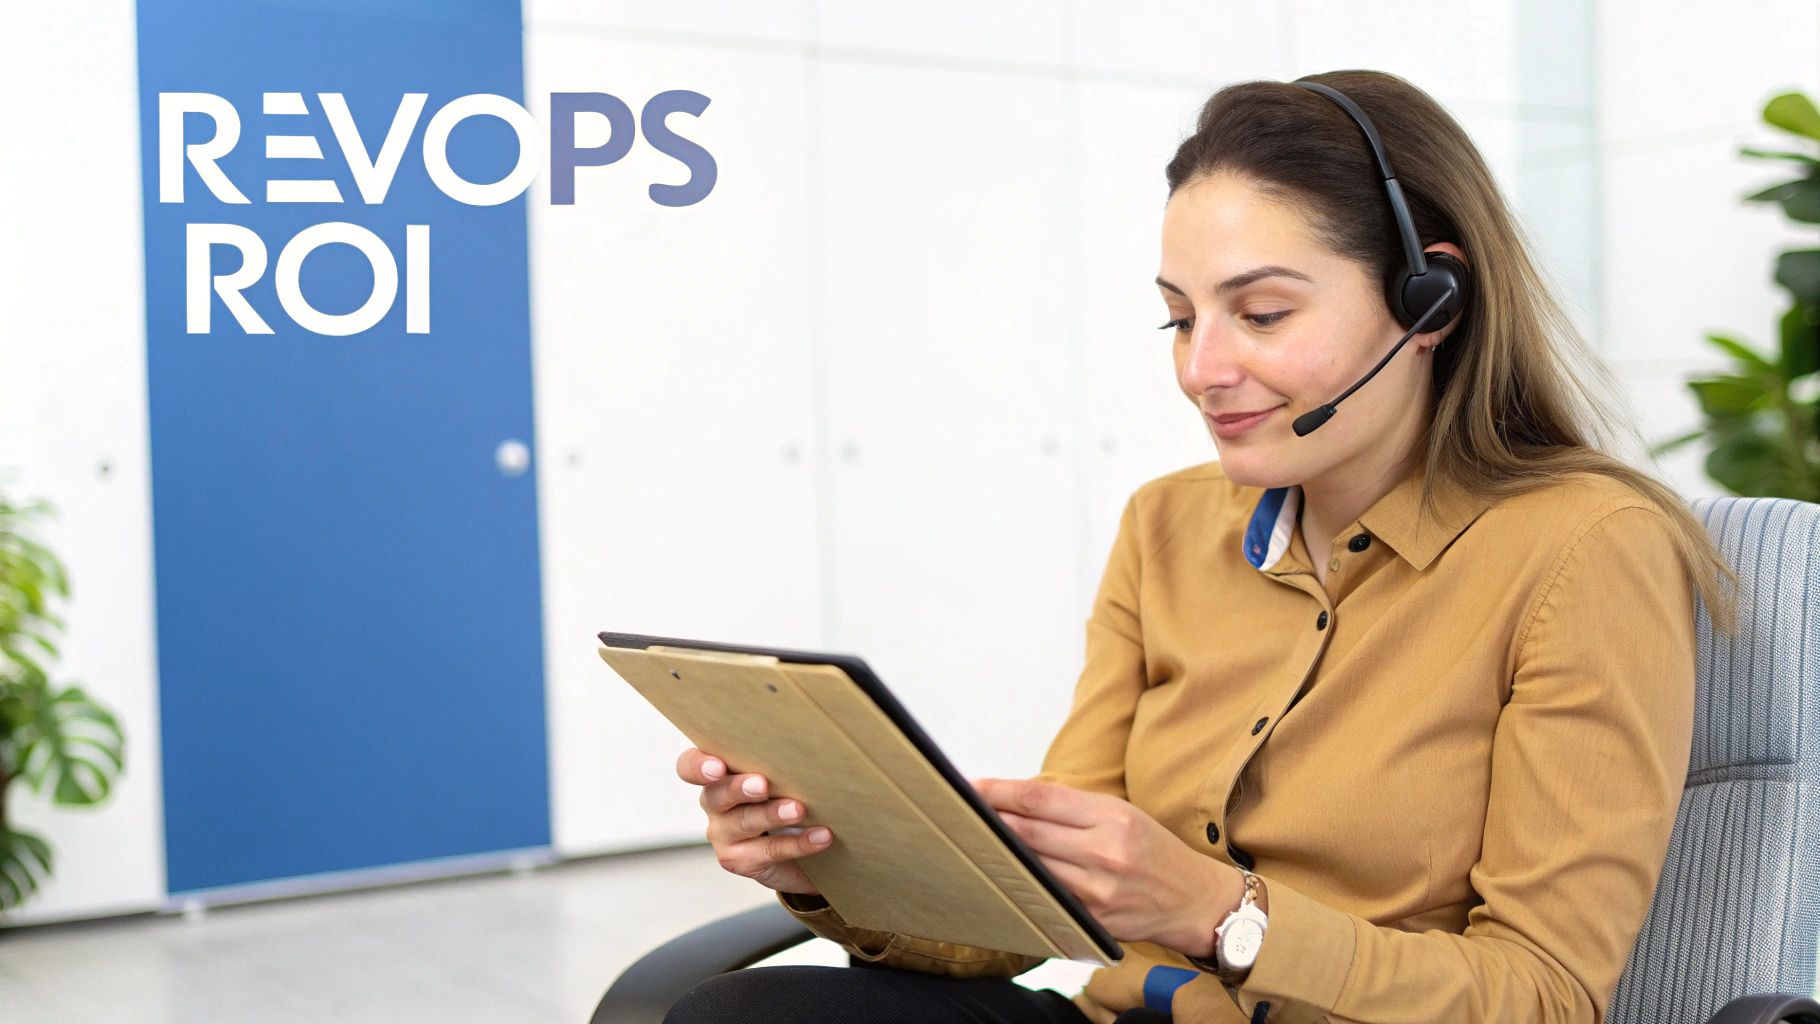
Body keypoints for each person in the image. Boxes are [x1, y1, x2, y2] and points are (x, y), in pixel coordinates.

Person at [662, 68, 1742, 1024]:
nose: (1199, 367)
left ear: (1430, 302)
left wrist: (1222, 914)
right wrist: (828, 862)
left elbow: (1543, 996)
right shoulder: (1165, 526)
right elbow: (1043, 905)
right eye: (1179, 318)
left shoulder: (1584, 550)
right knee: (738, 1011)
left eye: (1260, 314)